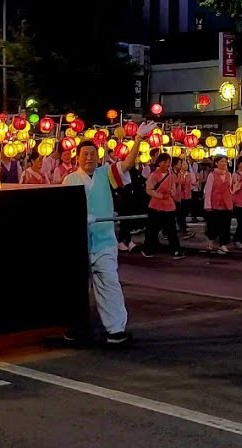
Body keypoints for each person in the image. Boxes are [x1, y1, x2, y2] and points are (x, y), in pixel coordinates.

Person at [61, 122, 154, 345]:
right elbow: (63, 211)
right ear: (78, 157)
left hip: (104, 242)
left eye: (93, 154)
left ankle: (115, 330)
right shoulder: (69, 180)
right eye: (85, 154)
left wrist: (138, 139)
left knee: (109, 284)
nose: (89, 158)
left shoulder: (106, 173)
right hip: (79, 244)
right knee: (78, 289)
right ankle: (76, 328)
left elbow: (127, 164)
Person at [142, 154, 182, 258]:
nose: (167, 164)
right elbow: (149, 189)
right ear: (160, 163)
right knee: (152, 230)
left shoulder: (170, 175)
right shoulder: (154, 175)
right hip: (156, 205)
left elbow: (173, 187)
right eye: (165, 162)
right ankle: (149, 249)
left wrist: (171, 192)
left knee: (171, 230)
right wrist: (160, 195)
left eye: (168, 162)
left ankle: (175, 250)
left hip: (168, 205)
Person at [203, 156, 235, 253]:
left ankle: (223, 244)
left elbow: (231, 189)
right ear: (216, 163)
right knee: (213, 225)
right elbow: (208, 191)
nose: (224, 163)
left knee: (225, 226)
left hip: (226, 204)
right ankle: (210, 241)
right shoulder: (212, 175)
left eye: (225, 162)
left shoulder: (229, 175)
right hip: (215, 204)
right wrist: (207, 205)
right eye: (221, 161)